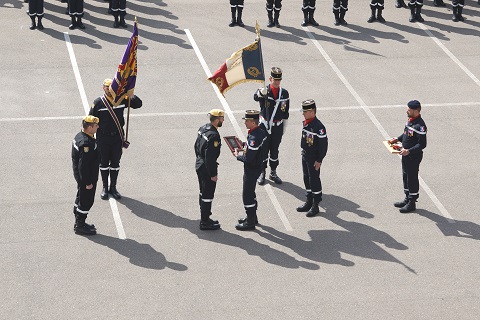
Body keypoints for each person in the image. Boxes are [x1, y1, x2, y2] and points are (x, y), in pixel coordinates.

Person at [89, 79, 143, 201]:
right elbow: (91, 119)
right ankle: (104, 188)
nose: (109, 89)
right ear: (103, 88)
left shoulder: (122, 99)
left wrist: (130, 94)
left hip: (117, 137)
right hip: (103, 137)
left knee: (115, 163)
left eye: (111, 87)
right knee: (103, 163)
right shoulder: (98, 103)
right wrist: (90, 138)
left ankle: (113, 187)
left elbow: (138, 104)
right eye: (107, 87)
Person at [388, 100, 427, 213]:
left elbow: (422, 144)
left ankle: (412, 202)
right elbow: (406, 134)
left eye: (409, 109)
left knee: (412, 178)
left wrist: (409, 151)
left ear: (415, 111)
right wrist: (397, 139)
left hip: (413, 157)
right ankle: (407, 197)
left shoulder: (420, 126)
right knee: (405, 176)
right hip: (405, 154)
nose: (407, 111)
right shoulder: (410, 121)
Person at [253, 67, 289, 186]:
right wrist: (260, 93)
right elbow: (255, 97)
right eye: (274, 80)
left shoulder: (284, 93)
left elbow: (286, 112)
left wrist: (284, 126)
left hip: (277, 126)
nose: (277, 82)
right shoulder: (265, 91)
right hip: (265, 125)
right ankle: (262, 171)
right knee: (263, 150)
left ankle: (273, 172)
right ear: (270, 79)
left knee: (274, 150)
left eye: (279, 80)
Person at [235, 110, 267, 231]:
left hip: (252, 169)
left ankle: (250, 222)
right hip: (257, 166)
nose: (245, 123)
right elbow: (254, 148)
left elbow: (249, 158)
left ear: (253, 122)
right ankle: (252, 217)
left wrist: (237, 155)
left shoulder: (254, 136)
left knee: (247, 195)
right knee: (251, 193)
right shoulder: (259, 132)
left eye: (247, 121)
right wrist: (243, 144)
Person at [296, 100, 328, 217]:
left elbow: (323, 146)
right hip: (305, 155)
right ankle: (309, 201)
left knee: (314, 180)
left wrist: (319, 160)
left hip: (313, 158)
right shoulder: (307, 123)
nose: (303, 114)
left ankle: (315, 204)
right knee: (306, 178)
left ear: (312, 112)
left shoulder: (319, 127)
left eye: (305, 112)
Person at [194, 109, 225, 230]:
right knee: (208, 194)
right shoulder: (214, 136)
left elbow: (196, 146)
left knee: (202, 192)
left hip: (199, 163)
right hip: (206, 168)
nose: (223, 121)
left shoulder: (203, 128)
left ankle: (205, 216)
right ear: (217, 120)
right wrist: (213, 174)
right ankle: (205, 221)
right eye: (222, 119)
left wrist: (198, 159)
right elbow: (210, 157)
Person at [72, 116, 100, 235]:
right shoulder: (86, 144)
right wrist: (88, 182)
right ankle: (80, 225)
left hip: (81, 177)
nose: (97, 127)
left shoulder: (80, 136)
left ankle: (79, 221)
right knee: (86, 201)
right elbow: (83, 166)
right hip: (87, 178)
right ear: (89, 127)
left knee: (80, 198)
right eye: (95, 126)